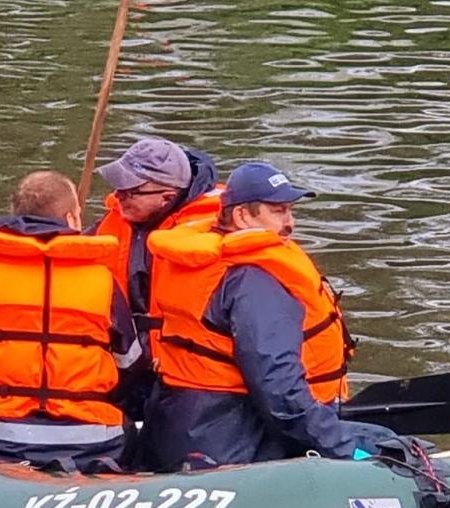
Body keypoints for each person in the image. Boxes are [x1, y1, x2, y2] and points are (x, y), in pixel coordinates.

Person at [141, 162, 396, 468]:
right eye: (277, 211)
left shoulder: (194, 261)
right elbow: (280, 390)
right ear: (242, 215)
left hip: (180, 428)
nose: (290, 222)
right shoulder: (254, 280)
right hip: (234, 442)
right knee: (392, 446)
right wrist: (344, 448)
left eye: (290, 210)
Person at [0, 171, 146, 466]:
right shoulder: (103, 281)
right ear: (73, 218)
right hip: (91, 443)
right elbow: (128, 364)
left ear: (14, 216)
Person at [92, 137, 223, 332]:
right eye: (119, 187)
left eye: (130, 191)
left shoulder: (214, 231)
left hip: (175, 352)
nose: (118, 196)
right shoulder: (116, 217)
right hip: (123, 343)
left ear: (167, 197)